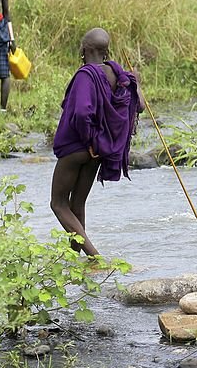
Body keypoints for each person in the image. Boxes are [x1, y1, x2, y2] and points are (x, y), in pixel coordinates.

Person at [51, 28, 143, 257]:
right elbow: (139, 105)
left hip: (78, 147)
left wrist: (89, 140)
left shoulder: (86, 75)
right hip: (99, 149)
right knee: (77, 204)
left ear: (84, 50)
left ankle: (95, 258)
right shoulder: (117, 74)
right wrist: (137, 84)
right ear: (105, 51)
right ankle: (74, 257)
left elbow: (82, 113)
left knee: (58, 203)